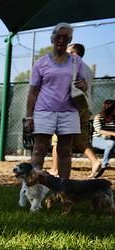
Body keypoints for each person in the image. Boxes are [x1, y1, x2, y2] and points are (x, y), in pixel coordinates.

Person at [25, 22, 87, 180]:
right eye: (58, 37)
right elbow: (32, 92)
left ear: (69, 40)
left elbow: (85, 85)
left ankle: (64, 190)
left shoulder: (76, 62)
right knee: (39, 149)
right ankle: (32, 187)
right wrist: (29, 116)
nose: (61, 40)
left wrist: (84, 85)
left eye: (65, 37)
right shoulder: (41, 63)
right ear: (52, 39)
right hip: (44, 111)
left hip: (69, 112)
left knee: (65, 151)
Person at [48, 43, 101, 177]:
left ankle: (55, 169)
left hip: (70, 106)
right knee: (80, 139)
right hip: (84, 106)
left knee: (58, 138)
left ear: (74, 54)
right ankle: (95, 162)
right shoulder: (88, 69)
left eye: (68, 51)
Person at [90, 99, 115, 178]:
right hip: (98, 140)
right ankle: (104, 165)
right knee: (111, 143)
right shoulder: (98, 117)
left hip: (111, 141)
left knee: (111, 143)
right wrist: (113, 133)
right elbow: (99, 130)